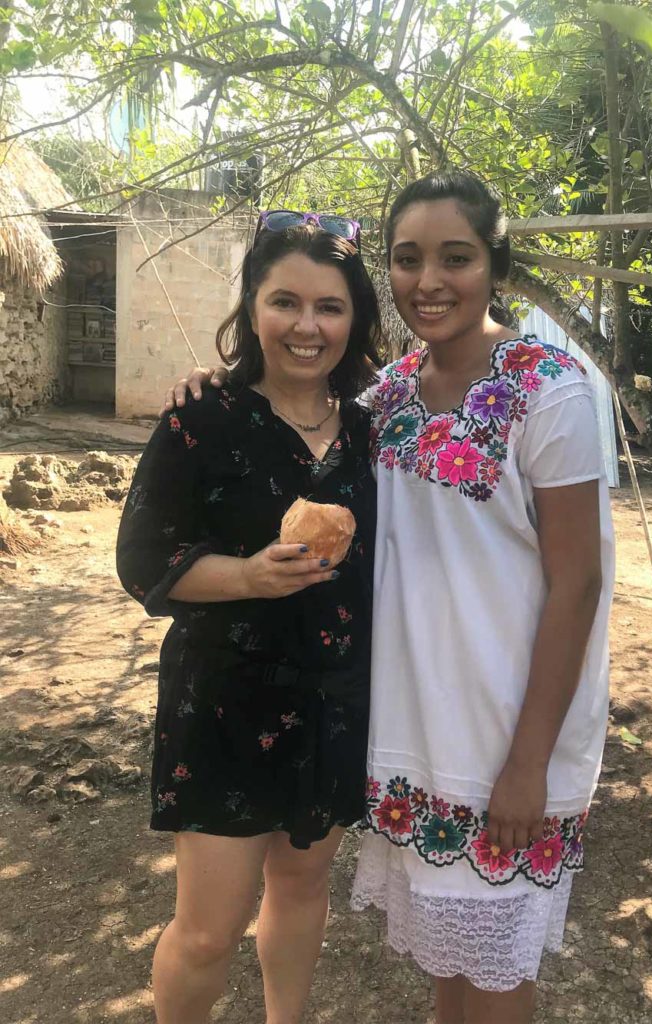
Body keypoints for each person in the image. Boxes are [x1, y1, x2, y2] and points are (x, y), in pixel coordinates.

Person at [166, 172, 614, 1024]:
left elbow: (579, 582)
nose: (429, 280)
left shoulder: (551, 388)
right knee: (452, 969)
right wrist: (211, 382)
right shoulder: (387, 394)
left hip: (508, 738)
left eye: (457, 257)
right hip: (417, 741)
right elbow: (287, 391)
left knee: (492, 978)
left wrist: (528, 763)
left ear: (495, 264)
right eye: (407, 259)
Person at [116, 213, 381, 1024]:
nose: (308, 326)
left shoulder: (375, 431)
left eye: (330, 307)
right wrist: (248, 577)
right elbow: (142, 558)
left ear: (355, 318)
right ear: (252, 306)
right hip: (226, 704)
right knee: (207, 930)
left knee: (301, 890)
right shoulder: (201, 419)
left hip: (335, 700)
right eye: (286, 302)